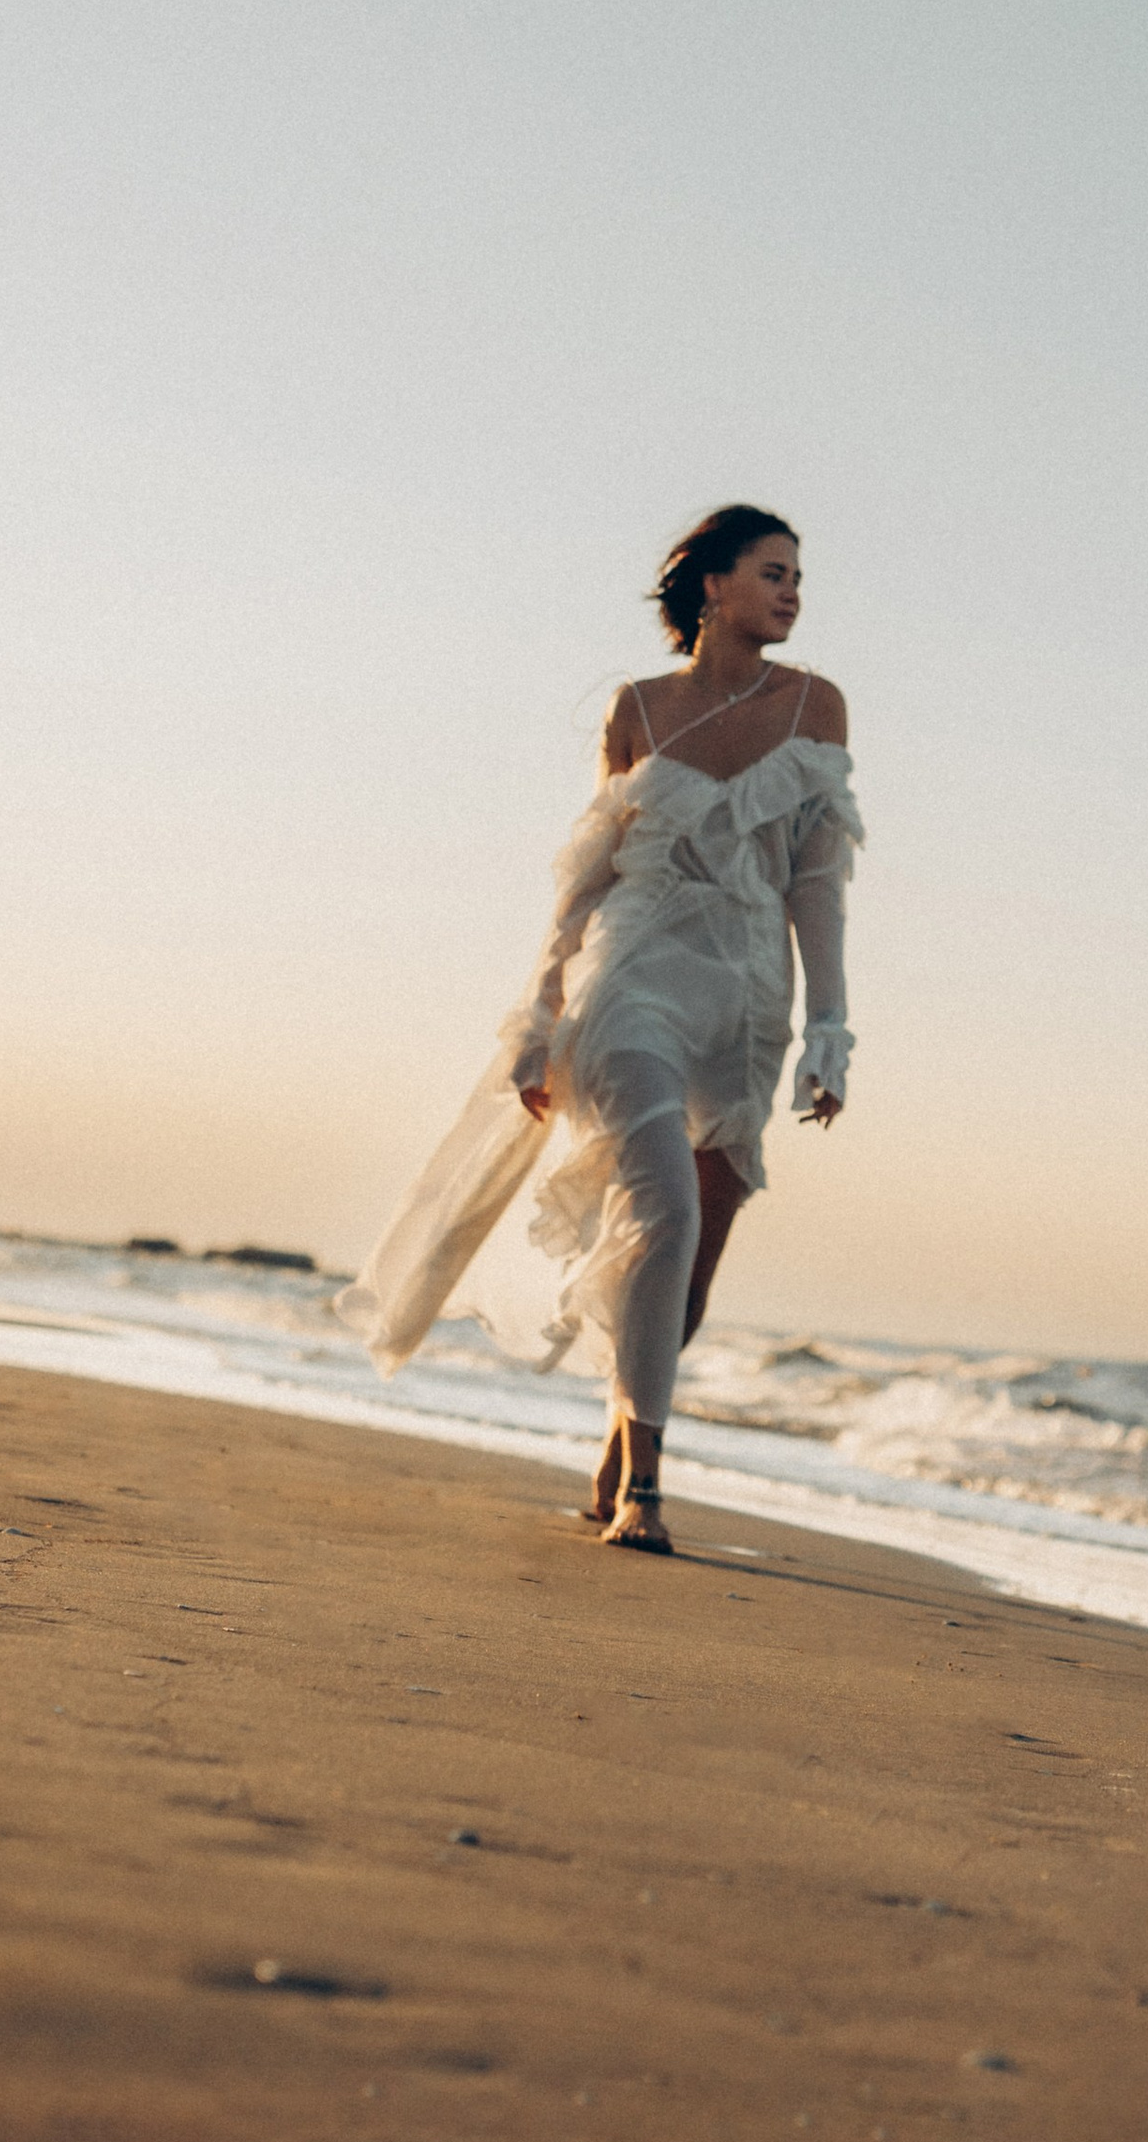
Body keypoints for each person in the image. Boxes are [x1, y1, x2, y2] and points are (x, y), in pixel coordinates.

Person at [335, 505, 860, 1555]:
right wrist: (540, 1014)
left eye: (799, 575)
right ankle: (647, 1491)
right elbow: (588, 873)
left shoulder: (818, 707)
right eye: (771, 572)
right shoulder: (638, 708)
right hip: (634, 975)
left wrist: (830, 1026)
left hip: (750, 996)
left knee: (692, 1258)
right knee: (661, 1206)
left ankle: (623, 1434)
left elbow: (817, 878)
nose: (793, 591)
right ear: (711, 586)